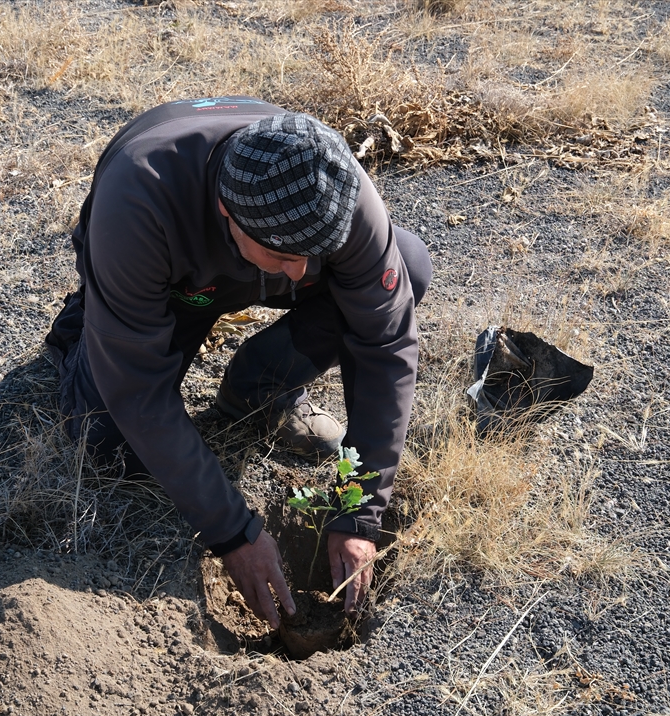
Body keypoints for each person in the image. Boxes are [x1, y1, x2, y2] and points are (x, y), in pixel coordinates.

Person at [44, 97, 432, 630]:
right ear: (228, 213)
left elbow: (386, 346)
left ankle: (260, 387)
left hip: (236, 250)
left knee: (408, 265)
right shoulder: (137, 207)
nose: (301, 273)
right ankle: (89, 323)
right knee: (108, 442)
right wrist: (231, 532)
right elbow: (139, 392)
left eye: (314, 254)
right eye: (285, 256)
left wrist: (358, 511)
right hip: (172, 279)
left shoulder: (334, 184)